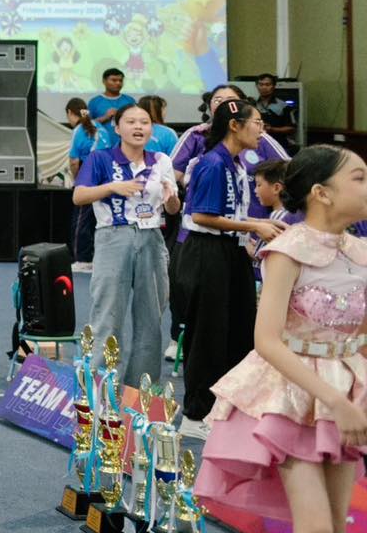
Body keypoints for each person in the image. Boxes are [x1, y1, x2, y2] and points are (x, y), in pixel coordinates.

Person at [195, 145, 367, 533]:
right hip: (291, 395)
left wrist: (353, 392)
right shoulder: (285, 250)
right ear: (321, 192)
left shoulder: (362, 253)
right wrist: (335, 399)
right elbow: (267, 338)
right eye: (359, 178)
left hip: (347, 390)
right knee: (315, 527)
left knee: (335, 531)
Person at [176, 99, 284, 434]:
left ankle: (229, 409)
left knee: (238, 331)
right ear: (234, 125)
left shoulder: (236, 164)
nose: (261, 130)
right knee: (208, 334)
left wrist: (262, 227)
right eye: (257, 123)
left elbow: (231, 216)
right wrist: (254, 227)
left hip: (230, 250)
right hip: (207, 253)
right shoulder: (211, 163)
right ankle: (196, 415)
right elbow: (202, 217)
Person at [73, 103, 181, 386]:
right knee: (107, 314)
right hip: (113, 236)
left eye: (144, 122)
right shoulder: (100, 158)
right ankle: (99, 390)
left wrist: (171, 199)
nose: (138, 127)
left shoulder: (161, 161)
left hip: (152, 237)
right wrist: (112, 187)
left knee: (151, 318)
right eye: (131, 122)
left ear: (152, 129)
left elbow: (172, 208)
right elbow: (79, 196)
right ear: (117, 128)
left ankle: (142, 393)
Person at [254, 73, 298, 151]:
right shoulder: (252, 105)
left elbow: (292, 128)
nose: (264, 87)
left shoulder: (283, 106)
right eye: (261, 84)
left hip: (279, 145)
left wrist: (272, 129)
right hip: (257, 145)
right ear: (257, 86)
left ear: (273, 86)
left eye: (267, 85)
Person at [66, 98, 107, 180]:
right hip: (107, 172)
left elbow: (74, 162)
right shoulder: (99, 126)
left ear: (69, 112)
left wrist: (77, 181)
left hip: (91, 174)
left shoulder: (78, 130)